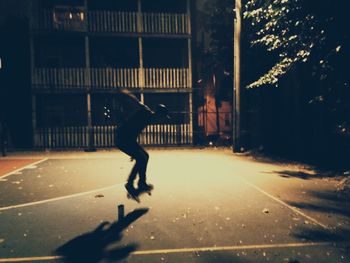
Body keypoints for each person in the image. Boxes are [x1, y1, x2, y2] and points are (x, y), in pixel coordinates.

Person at [115, 90, 170, 199]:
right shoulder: (146, 112)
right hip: (123, 139)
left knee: (144, 156)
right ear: (159, 115)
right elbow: (137, 103)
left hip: (127, 139)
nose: (160, 121)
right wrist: (126, 94)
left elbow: (133, 129)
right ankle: (131, 183)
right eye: (162, 118)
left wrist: (134, 149)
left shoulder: (148, 117)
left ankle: (141, 183)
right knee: (142, 158)